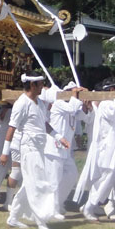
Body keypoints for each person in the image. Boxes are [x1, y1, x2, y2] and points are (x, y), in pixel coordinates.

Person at [1, 72, 70, 229]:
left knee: (29, 185)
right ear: (33, 85)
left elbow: (44, 124)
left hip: (40, 148)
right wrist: (5, 153)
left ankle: (13, 217)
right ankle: (41, 223)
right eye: (40, 84)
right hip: (28, 149)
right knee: (38, 183)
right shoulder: (21, 103)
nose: (42, 87)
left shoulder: (39, 103)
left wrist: (59, 137)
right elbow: (12, 128)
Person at [74, 79, 115, 221]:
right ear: (111, 90)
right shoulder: (106, 104)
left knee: (107, 179)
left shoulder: (112, 103)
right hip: (107, 148)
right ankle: (89, 206)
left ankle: (93, 204)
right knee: (106, 178)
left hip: (113, 146)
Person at [43, 81, 88, 219]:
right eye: (72, 91)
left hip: (66, 150)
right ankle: (51, 209)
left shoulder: (73, 105)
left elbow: (84, 116)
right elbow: (71, 109)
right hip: (54, 147)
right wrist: (75, 95)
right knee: (54, 180)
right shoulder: (59, 103)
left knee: (72, 175)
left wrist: (86, 104)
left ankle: (57, 203)